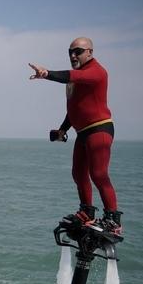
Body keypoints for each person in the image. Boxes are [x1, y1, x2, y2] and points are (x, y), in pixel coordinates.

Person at [29, 37, 122, 235]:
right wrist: (63, 129)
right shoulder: (77, 77)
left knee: (98, 174)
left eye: (78, 51)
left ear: (90, 52)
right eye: (70, 52)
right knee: (78, 173)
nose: (73, 55)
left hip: (99, 129)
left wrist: (46, 74)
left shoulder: (96, 71)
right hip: (83, 132)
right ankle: (87, 212)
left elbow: (67, 76)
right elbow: (74, 109)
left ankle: (113, 220)